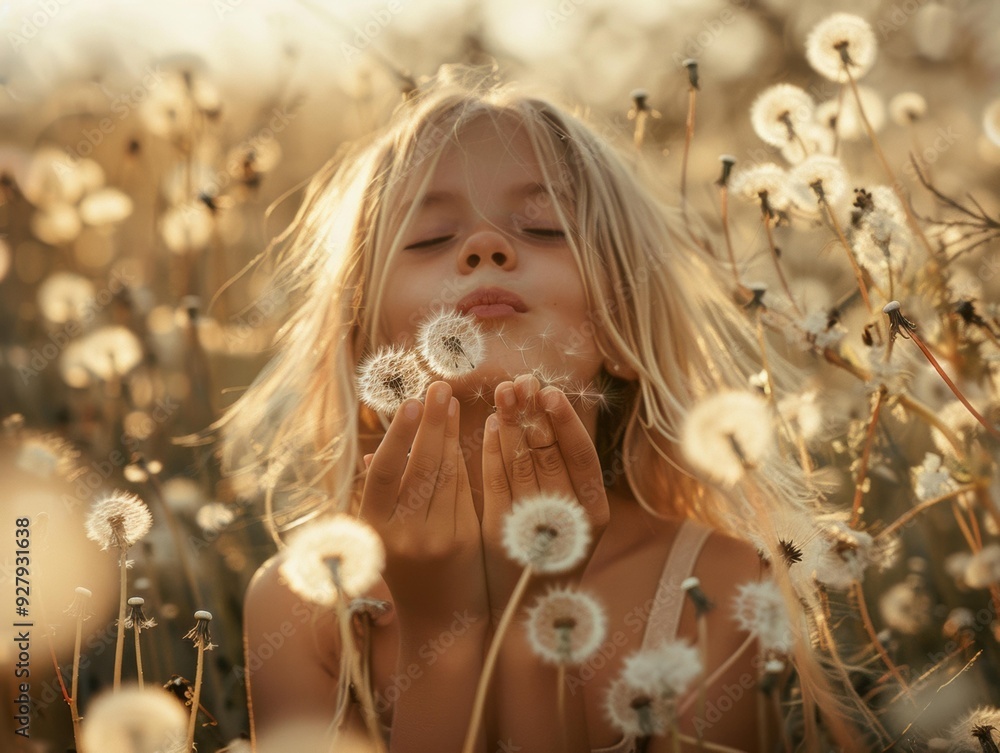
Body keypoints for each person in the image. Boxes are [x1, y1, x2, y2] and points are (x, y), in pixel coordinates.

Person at [222, 66, 864, 752]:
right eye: (431, 238)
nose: (485, 247)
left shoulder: (722, 583)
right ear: (366, 343)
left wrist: (537, 621)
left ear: (622, 322)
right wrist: (444, 625)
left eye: (543, 227)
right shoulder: (301, 606)